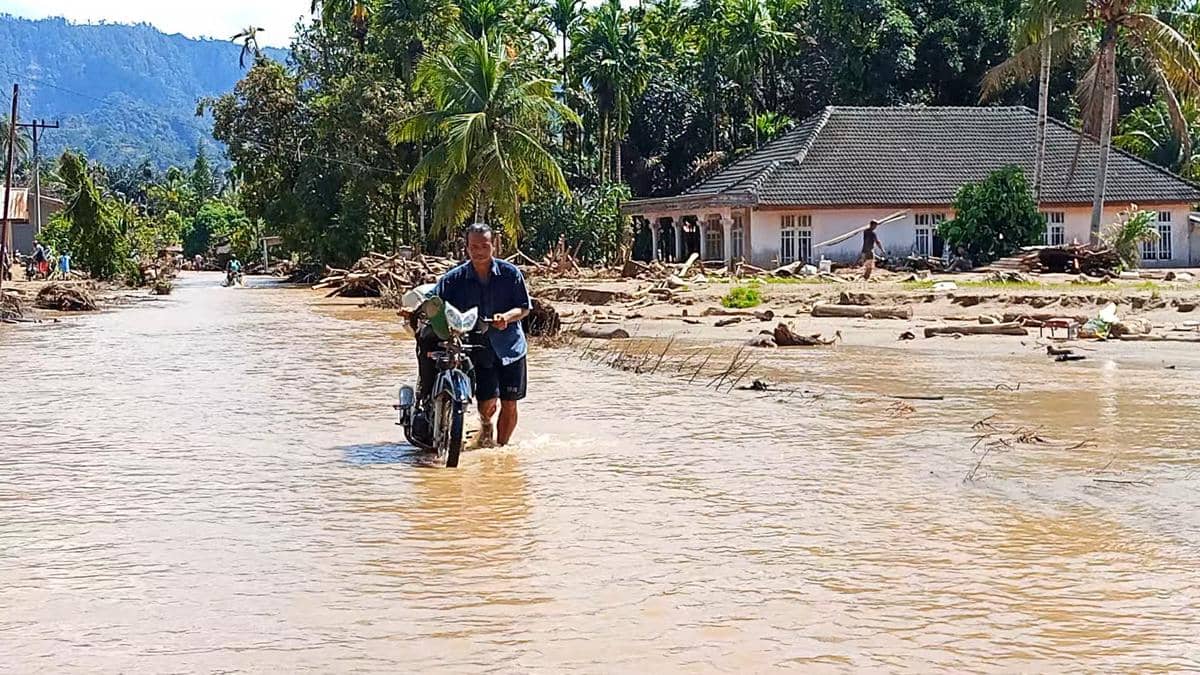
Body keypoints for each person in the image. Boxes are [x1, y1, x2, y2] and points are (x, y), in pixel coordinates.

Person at [420, 223, 532, 447]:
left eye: (484, 246)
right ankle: (486, 425)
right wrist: (417, 307)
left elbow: (524, 307)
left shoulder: (510, 274)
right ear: (467, 248)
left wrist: (507, 317)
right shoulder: (455, 278)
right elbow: (433, 298)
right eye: (474, 247)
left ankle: (501, 448)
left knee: (510, 402)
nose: (479, 251)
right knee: (487, 402)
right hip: (478, 346)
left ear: (494, 246)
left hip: (511, 346)